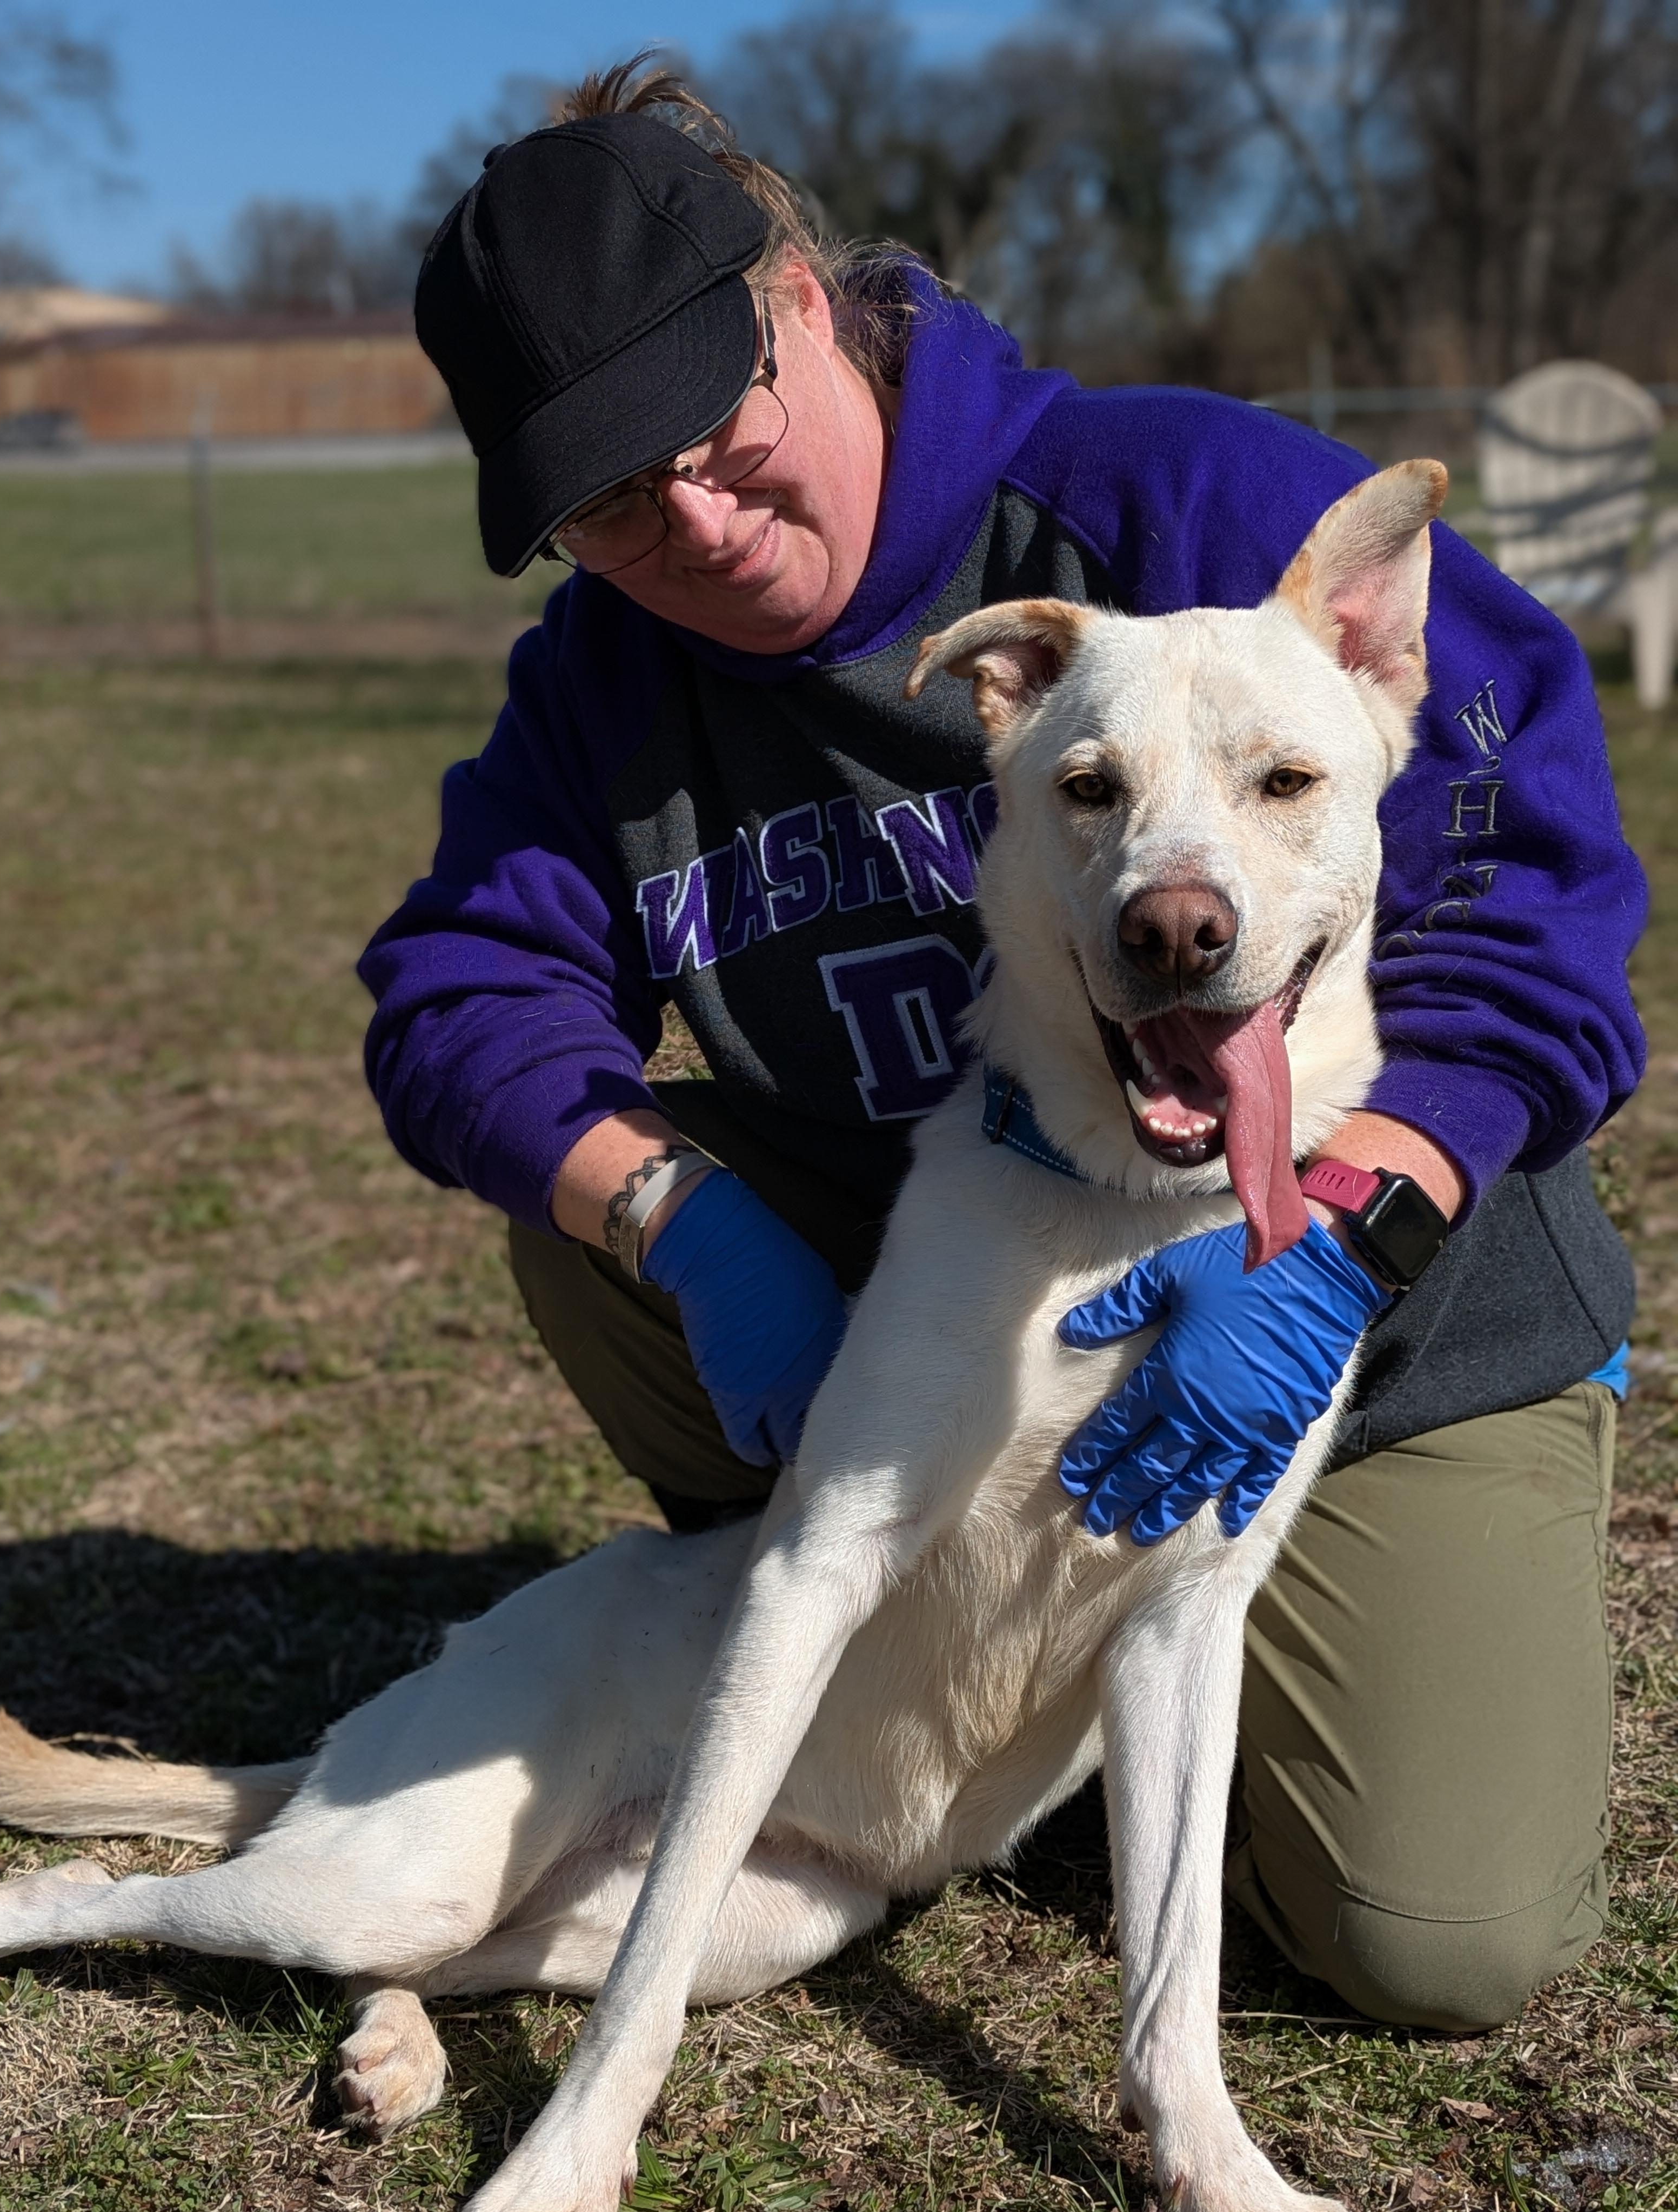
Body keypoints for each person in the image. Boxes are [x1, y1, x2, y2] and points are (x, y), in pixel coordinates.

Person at [360, 64, 1646, 2035]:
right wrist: (685, 1225)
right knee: (583, 1190)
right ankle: (897, 1667)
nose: (692, 518)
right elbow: (463, 996)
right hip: (969, 1247)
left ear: (798, 305)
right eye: (608, 500)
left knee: (1433, 1934)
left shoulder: (1199, 505)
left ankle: (1171, 1687)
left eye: (711, 435)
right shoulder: (610, 675)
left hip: (1385, 1308)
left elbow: (1536, 888)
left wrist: (1353, 1233)